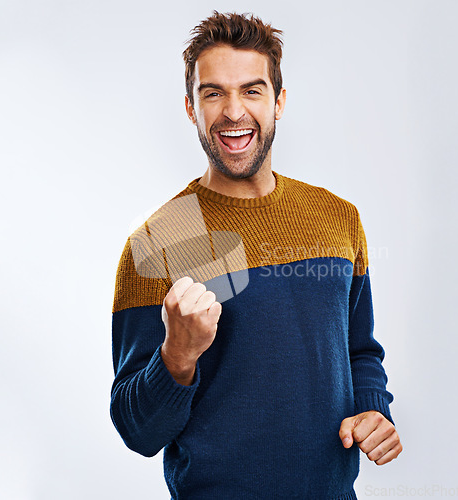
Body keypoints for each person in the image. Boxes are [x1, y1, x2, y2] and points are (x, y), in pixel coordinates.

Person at [110, 10, 402, 500]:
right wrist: (176, 357)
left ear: (279, 101)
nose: (233, 111)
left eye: (251, 90)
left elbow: (359, 349)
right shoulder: (157, 242)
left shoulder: (338, 218)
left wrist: (373, 409)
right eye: (213, 92)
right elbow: (137, 431)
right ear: (190, 107)